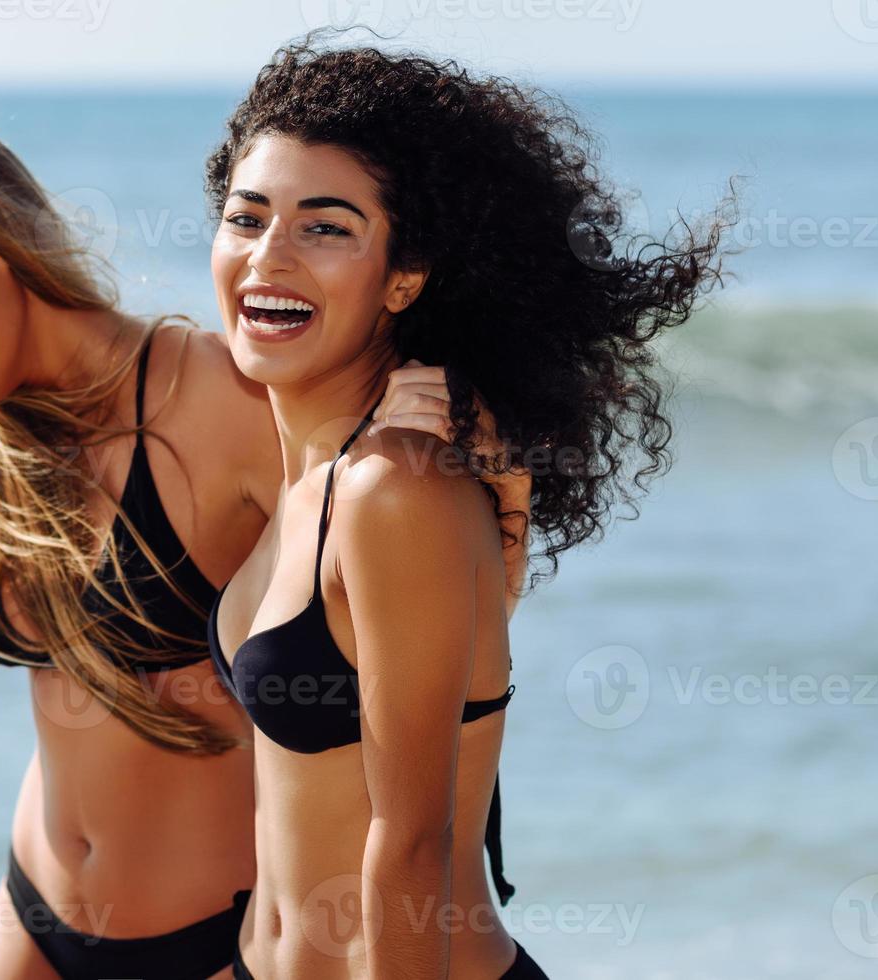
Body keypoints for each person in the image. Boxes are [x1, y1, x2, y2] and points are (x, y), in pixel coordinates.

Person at [0, 108, 532, 979]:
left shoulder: (217, 392)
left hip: (210, 941)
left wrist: (488, 477)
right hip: (31, 914)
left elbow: (396, 595)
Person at [204, 41, 726, 979]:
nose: (267, 255)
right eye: (246, 217)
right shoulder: (319, 477)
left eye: (325, 227)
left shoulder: (391, 485)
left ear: (403, 278)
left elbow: (412, 848)